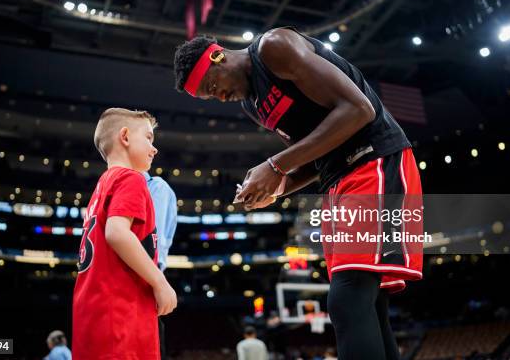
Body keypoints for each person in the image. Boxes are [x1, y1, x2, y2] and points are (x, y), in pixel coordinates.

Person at [173, 27, 423, 360]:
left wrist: (275, 165)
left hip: (373, 159)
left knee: (346, 300)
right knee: (369, 306)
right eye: (210, 97)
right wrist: (275, 189)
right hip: (338, 179)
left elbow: (359, 109)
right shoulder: (253, 105)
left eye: (214, 87)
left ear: (218, 56)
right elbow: (314, 155)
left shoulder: (274, 48)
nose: (220, 98)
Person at [72, 108, 177, 360]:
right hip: (120, 311)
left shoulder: (102, 185)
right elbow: (117, 233)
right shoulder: (132, 179)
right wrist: (161, 283)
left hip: (94, 311)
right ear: (125, 137)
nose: (154, 148)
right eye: (149, 138)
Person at [143, 171, 177, 360]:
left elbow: (154, 243)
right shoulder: (112, 182)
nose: (153, 149)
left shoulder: (156, 186)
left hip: (145, 282)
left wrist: (158, 282)